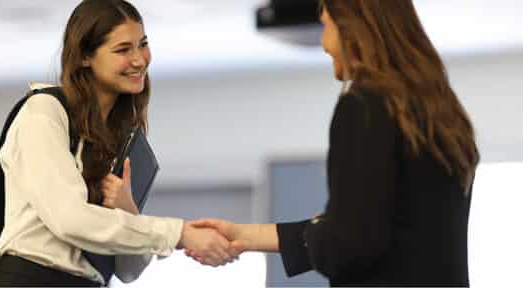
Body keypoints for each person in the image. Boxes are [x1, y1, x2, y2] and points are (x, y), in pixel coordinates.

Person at [185, 0, 480, 286]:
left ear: (350, 26)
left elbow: (350, 245)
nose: (325, 45)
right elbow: (385, 227)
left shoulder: (365, 105)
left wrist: (329, 230)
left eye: (326, 26)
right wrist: (243, 236)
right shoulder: (438, 110)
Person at [0, 0, 238, 286]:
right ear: (84, 57)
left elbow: (129, 271)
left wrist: (127, 209)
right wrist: (179, 233)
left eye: (142, 44)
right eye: (122, 50)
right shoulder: (45, 110)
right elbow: (71, 220)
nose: (139, 59)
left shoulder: (120, 137)